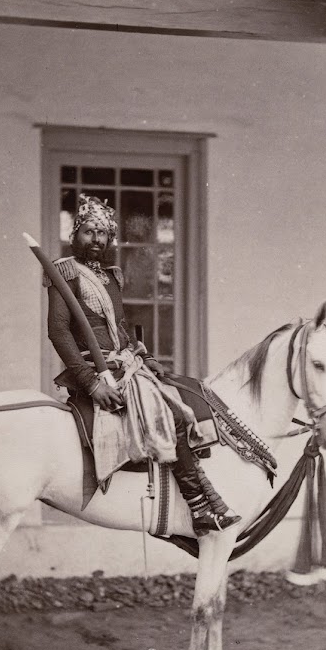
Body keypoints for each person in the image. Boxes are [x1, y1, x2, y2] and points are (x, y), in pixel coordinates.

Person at [45, 193, 241, 536]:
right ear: (76, 235)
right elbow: (59, 333)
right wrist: (91, 383)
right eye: (89, 232)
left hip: (127, 363)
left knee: (188, 397)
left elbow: (120, 328)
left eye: (103, 234)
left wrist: (146, 356)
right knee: (173, 415)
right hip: (97, 369)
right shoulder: (65, 274)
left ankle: (196, 498)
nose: (96, 240)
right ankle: (199, 505)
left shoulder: (111, 277)